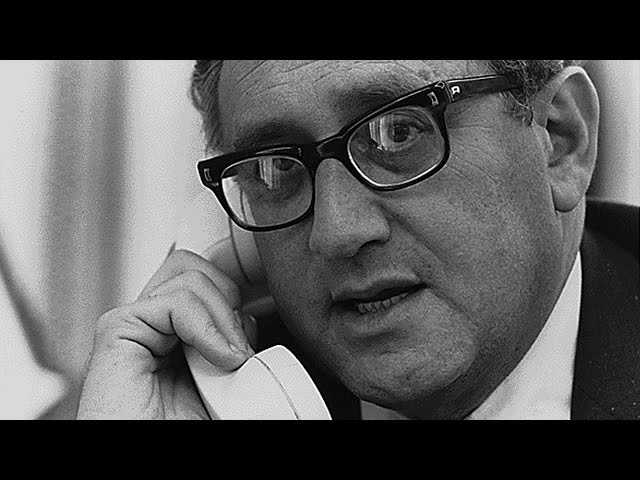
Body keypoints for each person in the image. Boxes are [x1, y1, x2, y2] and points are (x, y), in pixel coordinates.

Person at [77, 60, 639, 420]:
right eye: (276, 168)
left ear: (560, 141)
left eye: (399, 132)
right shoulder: (211, 391)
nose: (338, 231)